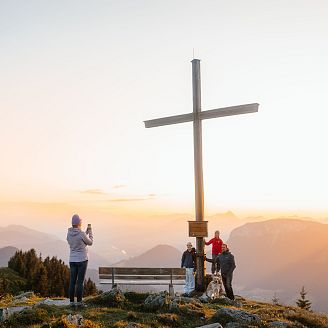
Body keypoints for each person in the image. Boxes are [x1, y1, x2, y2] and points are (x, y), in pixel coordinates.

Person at [67, 214, 93, 307]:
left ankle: (71, 302)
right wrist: (90, 232)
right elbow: (90, 242)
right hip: (82, 260)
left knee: (72, 282)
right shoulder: (81, 234)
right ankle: (79, 303)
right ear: (78, 223)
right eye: (80, 221)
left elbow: (78, 240)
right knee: (80, 282)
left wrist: (85, 232)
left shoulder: (69, 233)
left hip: (72, 260)